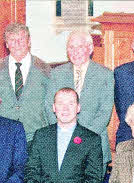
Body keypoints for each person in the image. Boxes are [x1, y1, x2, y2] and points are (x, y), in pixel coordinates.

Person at [22, 88, 103, 183]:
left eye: (70, 104)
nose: (65, 109)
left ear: (78, 108)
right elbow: (31, 172)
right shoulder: (41, 135)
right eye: (60, 103)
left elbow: (93, 180)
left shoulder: (91, 139)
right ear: (54, 108)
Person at [45, 31, 114, 172]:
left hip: (94, 144)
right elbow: (48, 106)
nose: (75, 52)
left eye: (80, 47)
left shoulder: (104, 74)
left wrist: (82, 139)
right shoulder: (56, 74)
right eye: (71, 47)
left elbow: (104, 112)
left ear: (90, 48)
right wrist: (64, 135)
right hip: (62, 145)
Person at [0, 23, 52, 142]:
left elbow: (50, 103)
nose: (17, 44)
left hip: (36, 135)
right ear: (6, 44)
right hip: (4, 135)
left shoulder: (44, 69)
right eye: (12, 40)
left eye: (21, 39)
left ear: (29, 41)